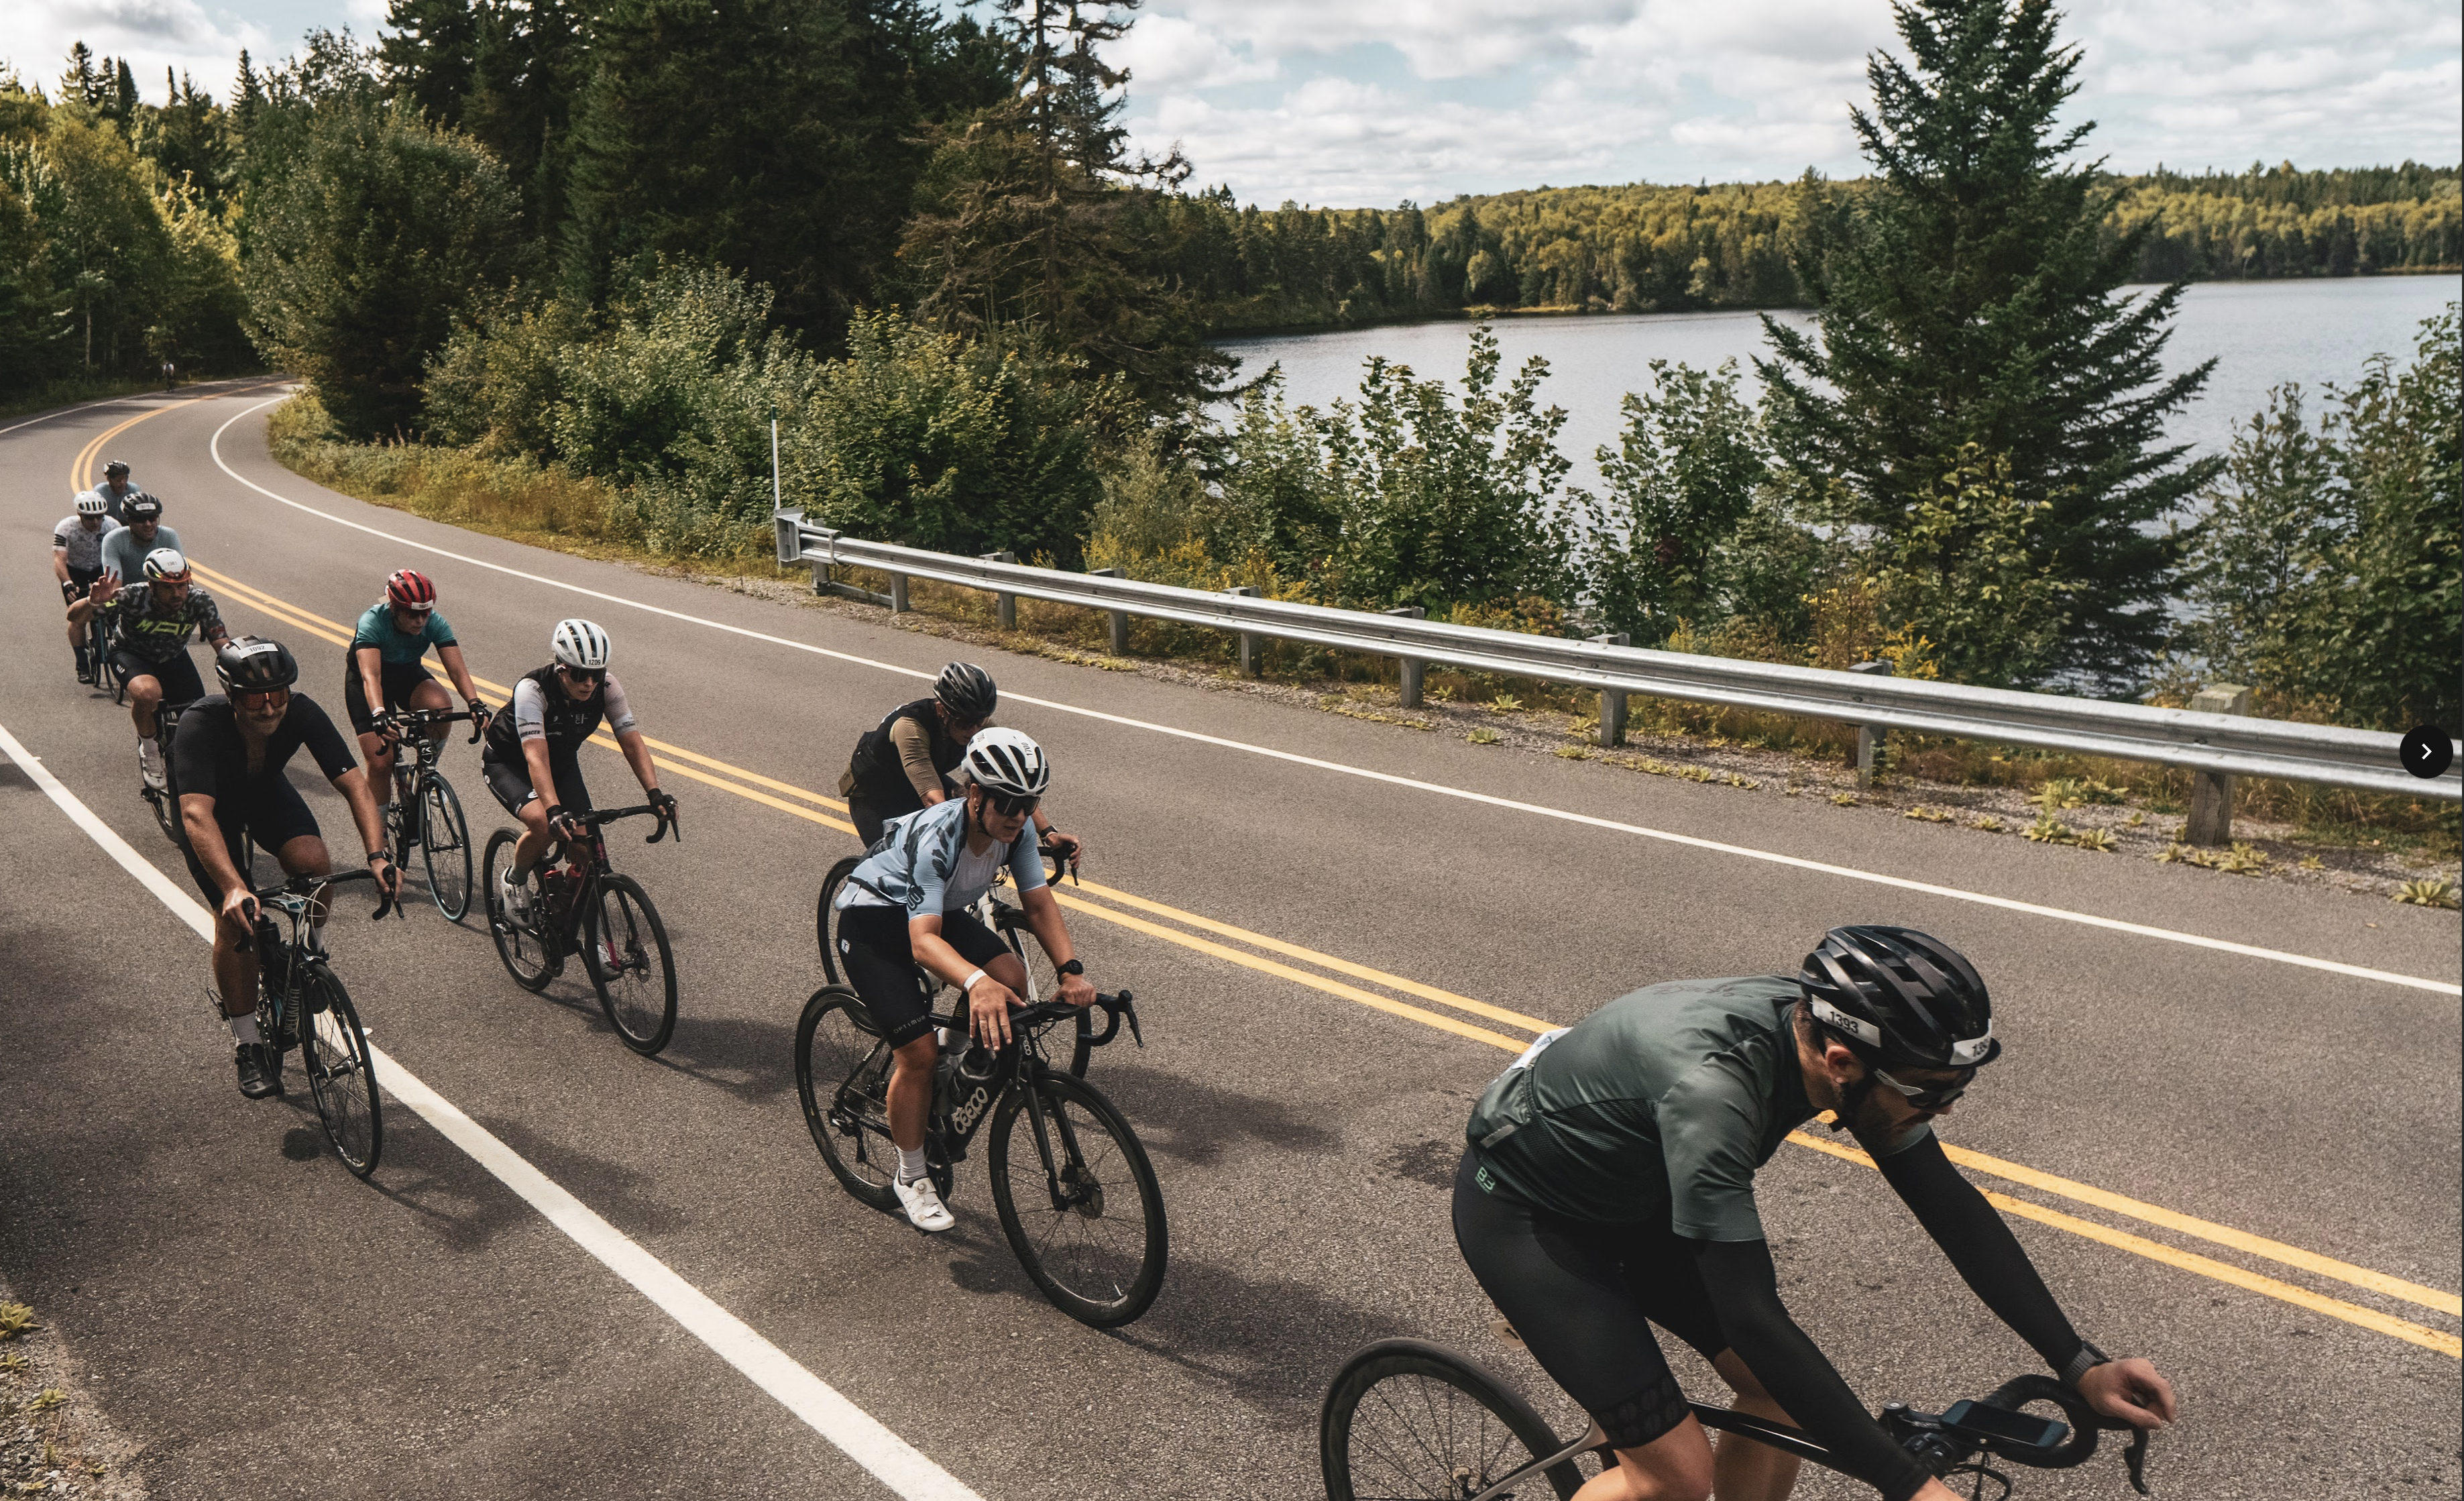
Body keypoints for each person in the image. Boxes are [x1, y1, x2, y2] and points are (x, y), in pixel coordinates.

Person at [1452, 926, 2178, 1501]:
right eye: (1929, 1090)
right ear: (1838, 1060)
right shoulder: (1712, 1096)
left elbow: (1947, 1205)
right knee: (1674, 1476)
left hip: (1642, 1198)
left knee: (1781, 1397)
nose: (1944, 1107)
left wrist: (2078, 1362)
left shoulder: (1851, 1043)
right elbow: (1753, 1318)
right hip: (1532, 1220)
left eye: (1956, 1086)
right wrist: (1910, 1484)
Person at [830, 728, 1097, 1232]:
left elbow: (1038, 904)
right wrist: (976, 983)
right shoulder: (940, 837)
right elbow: (923, 942)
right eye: (1007, 803)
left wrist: (1071, 971)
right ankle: (910, 1178)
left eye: (1028, 804)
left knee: (1012, 975)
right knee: (919, 1053)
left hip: (936, 912)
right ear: (975, 793)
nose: (1018, 815)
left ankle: (949, 1062)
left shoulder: (1013, 834)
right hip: (874, 928)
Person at [173, 636, 399, 1099]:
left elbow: (356, 786)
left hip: (263, 793)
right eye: (257, 696)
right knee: (236, 924)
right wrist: (235, 888)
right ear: (233, 695)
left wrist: (378, 856)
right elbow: (196, 813)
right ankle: (248, 1044)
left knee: (314, 863)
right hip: (210, 812)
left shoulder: (300, 711)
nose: (271, 705)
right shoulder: (200, 724)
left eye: (280, 693)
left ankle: (310, 952)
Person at [482, 619, 674, 920]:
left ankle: (567, 915)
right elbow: (535, 758)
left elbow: (633, 744)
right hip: (509, 763)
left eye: (596, 674)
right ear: (562, 668)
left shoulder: (607, 687)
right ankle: (514, 880)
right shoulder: (532, 690)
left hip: (560, 763)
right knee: (545, 824)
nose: (589, 683)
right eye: (581, 674)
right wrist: (554, 809)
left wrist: (655, 793)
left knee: (586, 848)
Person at [840, 662, 1082, 863]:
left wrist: (1048, 834)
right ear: (942, 710)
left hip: (925, 782)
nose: (973, 730)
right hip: (876, 797)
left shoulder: (979, 726)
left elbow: (1014, 784)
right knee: (901, 868)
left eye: (980, 721)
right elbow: (933, 800)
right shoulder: (910, 727)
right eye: (965, 723)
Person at [347, 569, 488, 822]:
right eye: (413, 614)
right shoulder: (372, 621)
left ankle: (424, 770)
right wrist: (379, 714)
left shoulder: (435, 623)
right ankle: (379, 842)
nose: (421, 620)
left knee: (441, 709)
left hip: (406, 675)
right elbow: (372, 677)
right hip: (366, 682)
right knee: (381, 763)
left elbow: (457, 670)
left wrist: (475, 703)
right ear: (393, 607)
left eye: (426, 612)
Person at [94, 549, 229, 791]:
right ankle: (149, 750)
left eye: (182, 585)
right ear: (152, 585)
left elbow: (220, 641)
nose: (177, 593)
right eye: (168, 587)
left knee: (200, 718)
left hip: (173, 658)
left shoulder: (199, 600)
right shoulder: (132, 595)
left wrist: (244, 664)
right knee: (148, 693)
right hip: (131, 654)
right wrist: (92, 602)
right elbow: (76, 616)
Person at [52, 492, 121, 681]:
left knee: (115, 609)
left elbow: (121, 556)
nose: (96, 522)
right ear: (80, 515)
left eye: (100, 516)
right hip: (76, 571)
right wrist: (67, 583)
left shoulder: (113, 526)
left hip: (102, 568)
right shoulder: (66, 527)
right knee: (79, 617)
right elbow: (59, 559)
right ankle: (82, 662)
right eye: (91, 518)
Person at [95, 492, 177, 585]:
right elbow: (114, 582)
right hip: (127, 595)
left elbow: (182, 577)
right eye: (140, 519)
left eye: (152, 518)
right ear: (129, 521)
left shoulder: (168, 536)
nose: (148, 524)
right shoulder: (113, 540)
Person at [76, 459, 139, 524]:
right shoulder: (100, 491)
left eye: (125, 478)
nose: (122, 483)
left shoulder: (134, 490)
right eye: (118, 480)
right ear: (109, 479)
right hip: (106, 523)